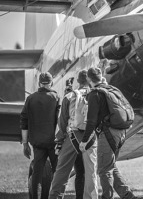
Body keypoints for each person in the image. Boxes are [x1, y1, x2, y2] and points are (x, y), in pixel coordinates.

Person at [79, 67, 135, 199]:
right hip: (121, 132)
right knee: (110, 166)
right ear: (100, 76)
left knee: (104, 170)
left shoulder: (94, 94)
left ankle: (107, 196)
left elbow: (91, 121)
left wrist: (84, 140)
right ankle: (127, 195)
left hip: (108, 133)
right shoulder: (112, 89)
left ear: (88, 79)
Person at [49, 71, 99, 199]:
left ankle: (55, 196)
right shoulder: (96, 94)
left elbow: (62, 121)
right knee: (90, 173)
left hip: (72, 136)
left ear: (78, 81)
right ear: (88, 80)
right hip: (90, 137)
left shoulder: (69, 96)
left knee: (62, 172)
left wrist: (60, 140)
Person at [21, 72, 60, 199]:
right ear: (51, 82)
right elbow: (60, 121)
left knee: (36, 174)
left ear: (39, 83)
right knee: (58, 173)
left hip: (37, 143)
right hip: (53, 143)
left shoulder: (30, 98)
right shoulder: (56, 97)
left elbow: (24, 121)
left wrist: (25, 143)